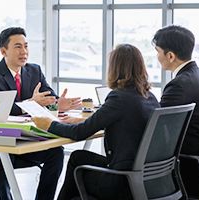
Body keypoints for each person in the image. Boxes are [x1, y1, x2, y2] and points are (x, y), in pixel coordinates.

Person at [32, 44, 160, 200]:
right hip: (145, 179)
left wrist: (49, 124)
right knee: (79, 158)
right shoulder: (149, 97)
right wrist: (78, 120)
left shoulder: (119, 97)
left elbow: (79, 133)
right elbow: (125, 124)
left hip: (122, 181)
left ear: (115, 68)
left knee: (76, 162)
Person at [0, 27, 80, 200]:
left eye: (26, 46)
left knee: (56, 153)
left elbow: (49, 98)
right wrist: (30, 104)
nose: (24, 51)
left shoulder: (34, 71)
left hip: (28, 139)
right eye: (18, 47)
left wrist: (58, 104)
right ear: (3, 51)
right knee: (0, 161)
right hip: (3, 141)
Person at [152, 25, 199, 195]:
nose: (157, 56)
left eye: (157, 51)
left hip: (185, 163)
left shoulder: (178, 85)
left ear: (170, 56)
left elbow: (157, 130)